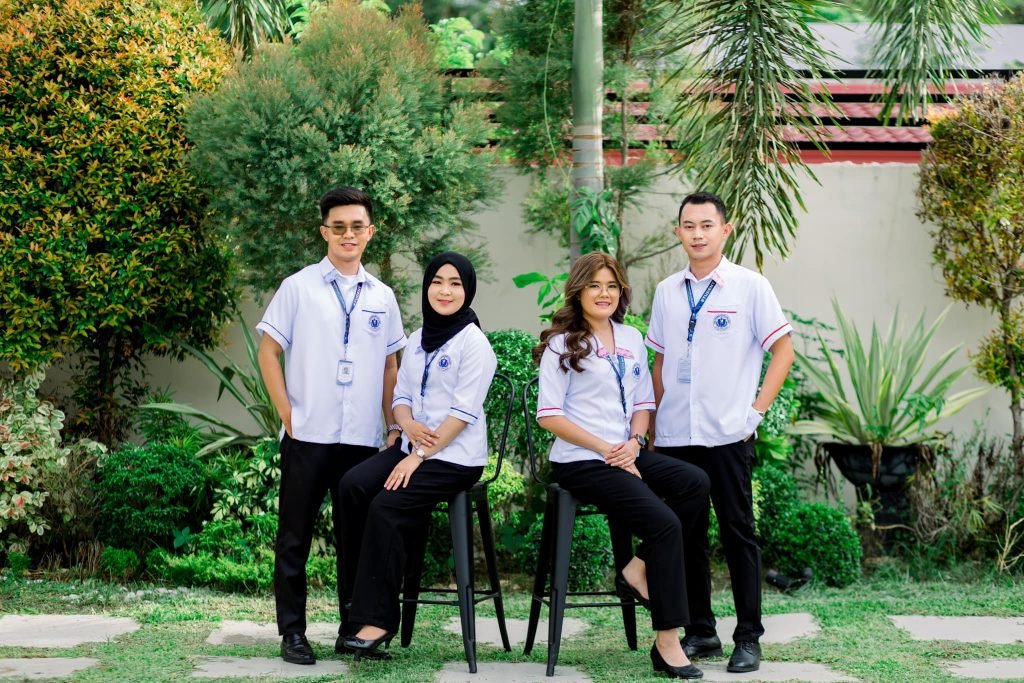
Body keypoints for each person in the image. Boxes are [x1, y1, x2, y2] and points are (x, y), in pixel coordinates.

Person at [534, 252, 711, 680]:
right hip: (580, 460)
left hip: (624, 451)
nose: (604, 293)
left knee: (694, 482)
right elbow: (549, 416)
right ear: (578, 291)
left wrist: (633, 443)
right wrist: (607, 450)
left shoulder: (631, 337)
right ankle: (668, 641)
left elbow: (644, 403)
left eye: (612, 286)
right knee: (664, 525)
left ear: (621, 293)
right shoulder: (562, 344)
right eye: (595, 285)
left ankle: (635, 567)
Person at [256, 187, 407, 666]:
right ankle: (293, 633)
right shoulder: (298, 287)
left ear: (370, 232)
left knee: (357, 541)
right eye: (338, 227)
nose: (348, 235)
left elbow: (390, 365)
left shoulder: (382, 296)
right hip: (308, 435)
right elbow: (268, 352)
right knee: (294, 539)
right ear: (324, 232)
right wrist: (287, 412)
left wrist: (392, 425)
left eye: (357, 226)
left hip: (360, 440)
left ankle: (351, 631)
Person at [645, 192, 795, 674]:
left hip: (728, 434)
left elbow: (783, 351)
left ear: (725, 230)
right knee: (684, 535)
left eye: (707, 225)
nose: (698, 234)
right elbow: (660, 361)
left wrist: (754, 414)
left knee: (737, 533)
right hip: (675, 436)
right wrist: (651, 423)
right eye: (689, 226)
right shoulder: (668, 291)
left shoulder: (750, 287)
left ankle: (748, 637)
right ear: (678, 232)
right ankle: (701, 631)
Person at [338, 252, 497, 660]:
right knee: (352, 487)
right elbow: (402, 396)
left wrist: (418, 455)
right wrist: (406, 425)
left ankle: (377, 621)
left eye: (455, 284)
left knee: (386, 505)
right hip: (413, 446)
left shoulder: (474, 344)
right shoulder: (418, 338)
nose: (445, 291)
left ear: (468, 290)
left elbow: (461, 415)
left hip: (456, 458)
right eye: (437, 282)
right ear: (427, 288)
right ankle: (352, 613)